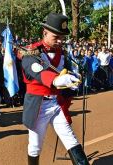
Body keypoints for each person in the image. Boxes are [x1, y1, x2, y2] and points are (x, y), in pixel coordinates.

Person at [20, 13, 89, 165]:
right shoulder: (31, 52)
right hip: (39, 106)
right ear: (44, 32)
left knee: (71, 139)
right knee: (35, 146)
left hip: (56, 104)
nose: (60, 41)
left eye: (62, 38)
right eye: (56, 37)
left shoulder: (62, 53)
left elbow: (67, 73)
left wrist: (73, 81)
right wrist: (56, 79)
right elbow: (36, 71)